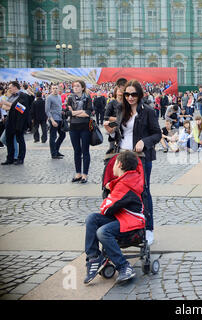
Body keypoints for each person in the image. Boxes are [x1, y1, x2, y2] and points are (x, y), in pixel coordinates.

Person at [104, 80, 161, 246]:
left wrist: (144, 141)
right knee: (121, 192)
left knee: (143, 191)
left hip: (141, 157)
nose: (130, 97)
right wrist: (111, 130)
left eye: (133, 94)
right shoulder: (121, 109)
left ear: (140, 95)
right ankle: (126, 227)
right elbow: (119, 132)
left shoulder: (148, 111)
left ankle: (148, 229)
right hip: (122, 156)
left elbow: (157, 134)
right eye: (127, 94)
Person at [84, 151, 145, 284]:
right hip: (122, 218)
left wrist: (109, 192)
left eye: (114, 163)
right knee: (92, 219)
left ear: (119, 164)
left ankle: (124, 266)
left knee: (102, 232)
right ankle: (94, 257)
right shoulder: (128, 180)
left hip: (132, 222)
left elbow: (106, 208)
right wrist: (110, 186)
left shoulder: (124, 185)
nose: (112, 167)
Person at [66, 80, 93, 183]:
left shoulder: (87, 98)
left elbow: (88, 113)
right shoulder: (70, 98)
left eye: (78, 86)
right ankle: (78, 173)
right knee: (76, 151)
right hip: (73, 127)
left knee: (85, 151)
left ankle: (84, 175)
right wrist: (80, 112)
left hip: (85, 127)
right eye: (74, 86)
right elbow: (68, 113)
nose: (76, 87)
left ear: (82, 88)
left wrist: (74, 113)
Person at [0, 81, 30, 165]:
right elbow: (4, 107)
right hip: (10, 120)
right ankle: (10, 158)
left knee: (20, 140)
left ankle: (20, 158)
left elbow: (22, 109)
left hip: (19, 122)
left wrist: (8, 104)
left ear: (15, 87)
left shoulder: (23, 96)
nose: (9, 89)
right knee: (9, 140)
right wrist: (11, 105)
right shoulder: (11, 96)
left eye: (10, 88)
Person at [46, 84, 66, 159]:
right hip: (53, 119)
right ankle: (53, 154)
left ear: (58, 89)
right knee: (53, 137)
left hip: (60, 118)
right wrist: (52, 120)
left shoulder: (59, 97)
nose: (55, 89)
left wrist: (62, 111)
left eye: (56, 88)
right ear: (51, 89)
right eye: (53, 88)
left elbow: (59, 107)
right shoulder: (49, 98)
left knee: (62, 135)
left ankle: (56, 150)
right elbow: (47, 111)